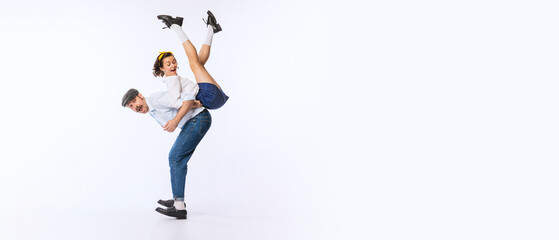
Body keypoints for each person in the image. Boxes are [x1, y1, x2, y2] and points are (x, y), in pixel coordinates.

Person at [121, 86, 210, 219]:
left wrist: (175, 120)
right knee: (176, 158)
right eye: (131, 106)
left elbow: (185, 99)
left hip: (198, 118)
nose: (135, 106)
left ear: (140, 95)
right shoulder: (151, 109)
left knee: (175, 157)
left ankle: (179, 207)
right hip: (196, 120)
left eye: (134, 101)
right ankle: (177, 200)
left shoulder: (155, 100)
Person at [155, 11, 229, 110]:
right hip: (208, 97)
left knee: (198, 64)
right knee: (194, 63)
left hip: (211, 98)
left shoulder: (173, 78)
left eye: (173, 62)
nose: (173, 65)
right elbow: (175, 103)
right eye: (168, 64)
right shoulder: (171, 80)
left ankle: (211, 29)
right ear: (162, 68)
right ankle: (176, 26)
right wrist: (194, 104)